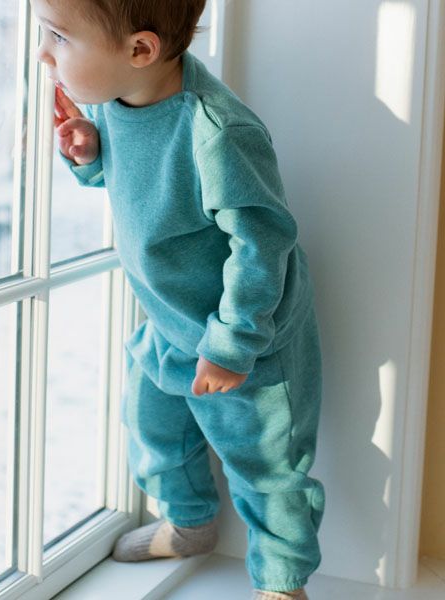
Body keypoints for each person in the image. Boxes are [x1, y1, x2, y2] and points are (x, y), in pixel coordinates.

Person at [30, 1, 326, 598]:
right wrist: (90, 153)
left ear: (140, 50)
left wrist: (233, 344)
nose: (43, 54)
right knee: (154, 430)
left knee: (268, 469)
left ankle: (282, 582)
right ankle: (190, 525)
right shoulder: (115, 100)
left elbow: (262, 244)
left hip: (245, 339)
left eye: (58, 37)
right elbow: (139, 183)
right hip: (169, 322)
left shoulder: (218, 132)